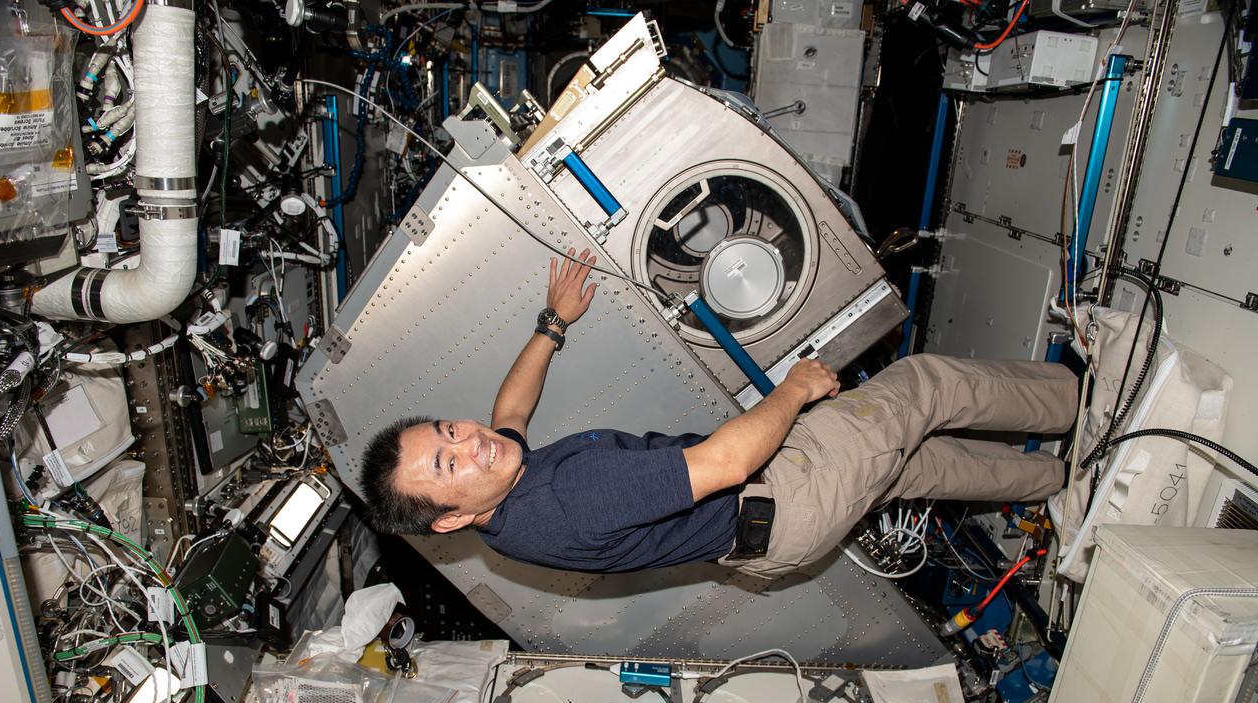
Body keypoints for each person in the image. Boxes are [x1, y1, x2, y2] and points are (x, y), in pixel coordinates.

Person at [359, 248, 1078, 577]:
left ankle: (1053, 481)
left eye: (449, 429)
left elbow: (509, 410)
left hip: (765, 521)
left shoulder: (502, 504)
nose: (472, 441)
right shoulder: (571, 499)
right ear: (448, 517)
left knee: (911, 467)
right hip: (778, 491)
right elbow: (729, 462)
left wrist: (553, 322)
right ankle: (1079, 399)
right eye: (448, 462)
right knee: (923, 385)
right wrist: (795, 389)